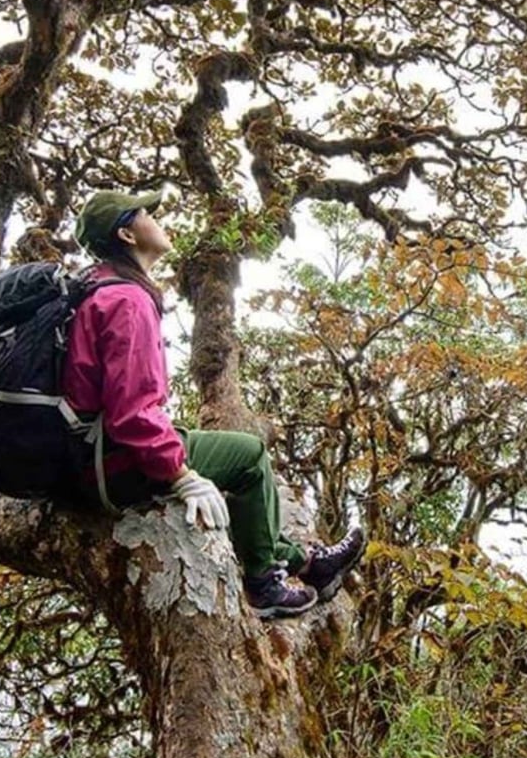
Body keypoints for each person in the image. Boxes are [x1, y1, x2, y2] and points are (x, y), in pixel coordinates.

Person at [62, 188, 365, 619]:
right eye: (146, 213)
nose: (155, 218)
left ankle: (309, 564)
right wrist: (181, 475)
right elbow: (132, 415)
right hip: (108, 464)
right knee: (248, 455)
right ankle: (264, 586)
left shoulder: (95, 290)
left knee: (215, 450)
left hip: (83, 455)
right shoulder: (126, 301)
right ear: (127, 235)